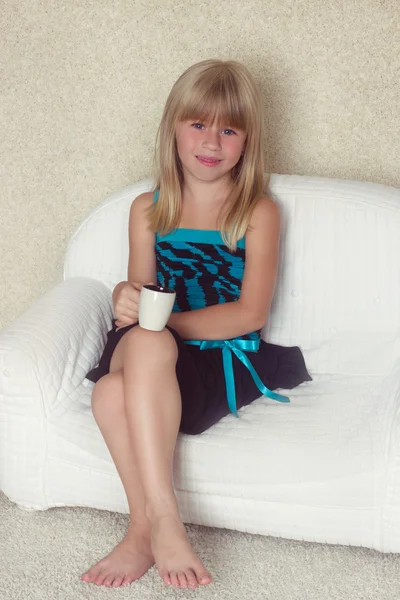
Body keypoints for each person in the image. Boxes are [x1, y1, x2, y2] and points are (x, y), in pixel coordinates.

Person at [81, 59, 312, 591]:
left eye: (229, 129)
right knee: (143, 344)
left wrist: (161, 326)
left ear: (247, 141)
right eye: (198, 124)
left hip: (213, 355)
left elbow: (250, 313)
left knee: (109, 396)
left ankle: (142, 528)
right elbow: (139, 293)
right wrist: (125, 297)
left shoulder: (257, 211)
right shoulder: (146, 209)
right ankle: (166, 518)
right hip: (148, 347)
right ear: (173, 130)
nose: (212, 140)